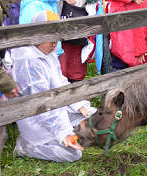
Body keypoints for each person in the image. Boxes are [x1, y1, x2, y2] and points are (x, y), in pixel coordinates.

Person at [11, 10, 96, 162]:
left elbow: (61, 83)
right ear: (38, 36)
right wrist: (63, 133)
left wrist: (78, 105)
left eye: (57, 38)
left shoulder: (47, 53)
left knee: (92, 116)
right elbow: (42, 104)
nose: (55, 43)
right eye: (51, 38)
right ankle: (26, 146)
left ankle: (67, 131)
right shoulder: (28, 61)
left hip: (54, 108)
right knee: (73, 154)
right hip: (36, 118)